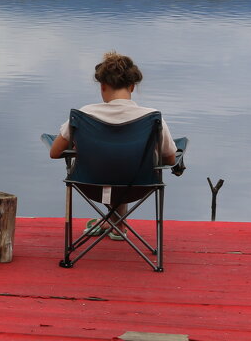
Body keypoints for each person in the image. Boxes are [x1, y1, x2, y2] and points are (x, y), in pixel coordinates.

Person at [49, 51, 176, 237]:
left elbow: (54, 152)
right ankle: (117, 225)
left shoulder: (84, 116)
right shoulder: (152, 118)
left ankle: (113, 223)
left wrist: (82, 148)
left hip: (90, 185)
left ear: (102, 86)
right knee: (125, 164)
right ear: (132, 87)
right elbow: (170, 159)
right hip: (139, 186)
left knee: (109, 162)